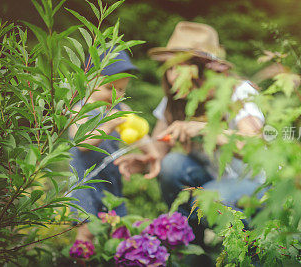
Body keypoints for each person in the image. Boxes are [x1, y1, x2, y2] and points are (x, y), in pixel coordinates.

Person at [113, 22, 267, 230]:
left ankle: (250, 249)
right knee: (172, 164)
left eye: (182, 65)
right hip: (212, 181)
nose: (174, 74)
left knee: (210, 198)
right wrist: (145, 162)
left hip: (256, 184)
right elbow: (159, 149)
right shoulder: (175, 101)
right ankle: (189, 243)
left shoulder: (238, 92)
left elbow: (252, 145)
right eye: (171, 67)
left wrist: (203, 129)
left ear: (206, 68)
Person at [69, 49, 138, 242]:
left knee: (120, 228)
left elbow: (140, 135)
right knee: (87, 231)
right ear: (90, 81)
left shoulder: (121, 109)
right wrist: (108, 124)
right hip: (85, 184)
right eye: (109, 88)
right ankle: (80, 259)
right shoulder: (80, 110)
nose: (115, 96)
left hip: (111, 181)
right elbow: (82, 143)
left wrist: (151, 151)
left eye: (122, 90)